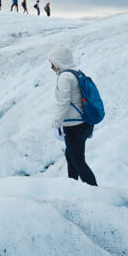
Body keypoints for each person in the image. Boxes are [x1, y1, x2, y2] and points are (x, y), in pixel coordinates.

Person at [48, 45, 97, 186]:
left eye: (52, 63)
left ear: (59, 61)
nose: (51, 67)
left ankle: (95, 191)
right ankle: (73, 187)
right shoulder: (77, 73)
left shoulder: (65, 77)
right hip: (84, 124)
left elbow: (63, 102)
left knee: (78, 161)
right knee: (71, 157)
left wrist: (56, 125)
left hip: (74, 126)